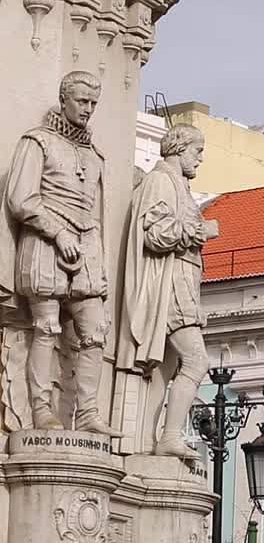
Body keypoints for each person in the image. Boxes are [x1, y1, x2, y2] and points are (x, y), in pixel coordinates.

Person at [0, 71, 121, 435]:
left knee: (95, 330)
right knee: (46, 327)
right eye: (82, 101)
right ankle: (41, 410)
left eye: (93, 103)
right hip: (44, 244)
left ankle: (87, 413)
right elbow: (21, 198)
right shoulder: (37, 141)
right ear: (64, 99)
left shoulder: (94, 154)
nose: (88, 109)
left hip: (86, 247)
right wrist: (57, 231)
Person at [119, 123, 217, 458]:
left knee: (167, 367)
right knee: (197, 360)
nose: (200, 159)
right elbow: (154, 234)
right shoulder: (161, 180)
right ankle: (170, 435)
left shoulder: (178, 185)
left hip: (184, 279)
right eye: (197, 151)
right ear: (179, 148)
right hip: (171, 282)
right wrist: (200, 230)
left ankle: (147, 440)